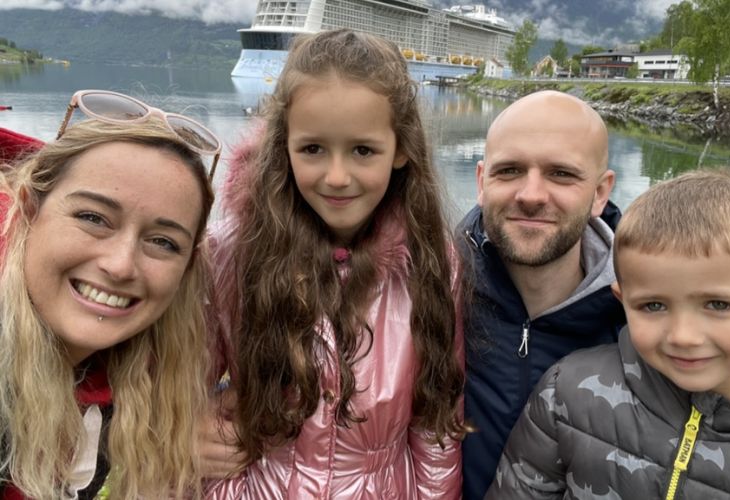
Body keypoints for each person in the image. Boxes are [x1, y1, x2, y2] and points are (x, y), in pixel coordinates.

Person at [203, 29, 467, 498]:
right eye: (313, 149)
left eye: (363, 150)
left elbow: (435, 425)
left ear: (401, 150)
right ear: (284, 146)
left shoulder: (432, 261)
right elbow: (177, 394)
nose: (337, 177)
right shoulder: (232, 251)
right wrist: (184, 435)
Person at [487, 169, 730, 499]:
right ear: (623, 301)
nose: (683, 336)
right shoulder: (567, 391)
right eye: (653, 306)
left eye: (718, 304)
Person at [0, 89, 219, 499]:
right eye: (93, 218)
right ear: (29, 210)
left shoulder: (132, 373)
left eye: (163, 242)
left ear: (186, 269)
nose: (121, 265)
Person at [458, 90, 627, 499]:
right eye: (510, 170)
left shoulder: (647, 318)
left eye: (561, 174)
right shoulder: (431, 292)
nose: (531, 195)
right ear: (482, 182)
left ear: (600, 193)